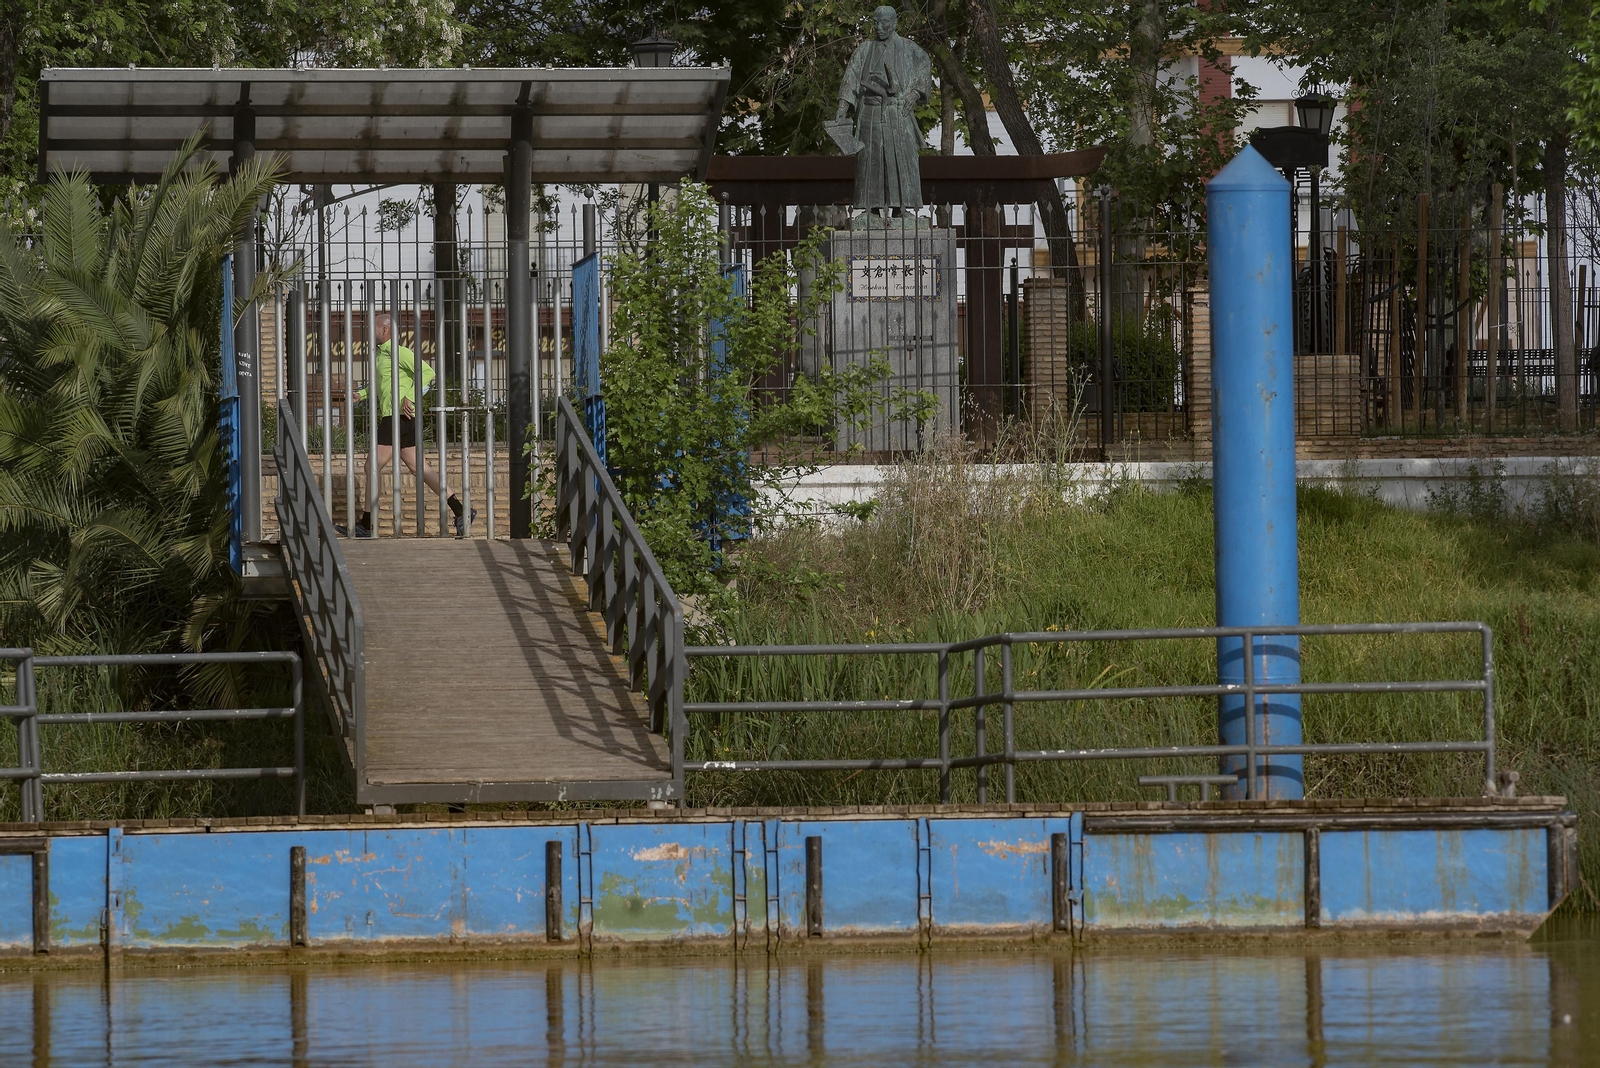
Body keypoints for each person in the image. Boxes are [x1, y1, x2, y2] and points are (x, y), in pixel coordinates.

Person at [345, 312, 474, 538]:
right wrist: (362, 395)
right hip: (400, 418)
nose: (369, 332)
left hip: (397, 417)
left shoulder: (398, 352)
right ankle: (461, 510)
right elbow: (380, 385)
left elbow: (427, 373)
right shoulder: (380, 356)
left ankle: (367, 524)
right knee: (420, 469)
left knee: (370, 467)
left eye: (373, 328)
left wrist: (411, 397)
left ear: (384, 330)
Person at [835, 5, 931, 217]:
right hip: (869, 111)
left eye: (884, 23)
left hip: (897, 112)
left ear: (895, 23)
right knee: (870, 160)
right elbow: (850, 77)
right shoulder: (864, 49)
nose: (879, 27)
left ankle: (902, 208)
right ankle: (870, 209)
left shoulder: (908, 48)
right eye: (876, 23)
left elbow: (924, 65)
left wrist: (914, 93)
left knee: (902, 159)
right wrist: (843, 106)